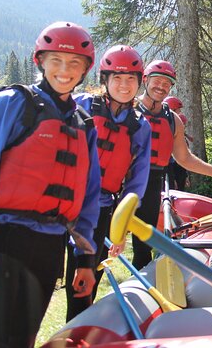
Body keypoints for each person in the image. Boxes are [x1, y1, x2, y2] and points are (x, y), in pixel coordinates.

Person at [0, 22, 101, 347]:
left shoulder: (82, 125)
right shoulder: (9, 105)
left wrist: (85, 258)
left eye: (74, 64)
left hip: (48, 250)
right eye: (55, 60)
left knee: (21, 340)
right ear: (40, 61)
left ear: (85, 70)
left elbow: (89, 197)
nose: (64, 70)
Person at [65, 45, 152, 321]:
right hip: (64, 200)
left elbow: (138, 178)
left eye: (130, 79)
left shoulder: (140, 125)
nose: (124, 86)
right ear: (105, 80)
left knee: (86, 280)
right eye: (117, 78)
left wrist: (123, 219)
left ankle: (76, 329)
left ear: (139, 83)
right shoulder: (82, 106)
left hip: (101, 207)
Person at [135, 59, 212, 269]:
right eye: (157, 80)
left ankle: (142, 292)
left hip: (152, 186)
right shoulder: (127, 108)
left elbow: (184, 158)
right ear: (145, 80)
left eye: (167, 83)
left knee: (144, 248)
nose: (161, 86)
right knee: (96, 250)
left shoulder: (173, 120)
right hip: (122, 184)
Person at [163, 96, 190, 191]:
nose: (179, 114)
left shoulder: (177, 135)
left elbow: (184, 159)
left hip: (176, 172)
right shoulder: (164, 131)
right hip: (167, 173)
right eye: (177, 111)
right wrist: (172, 179)